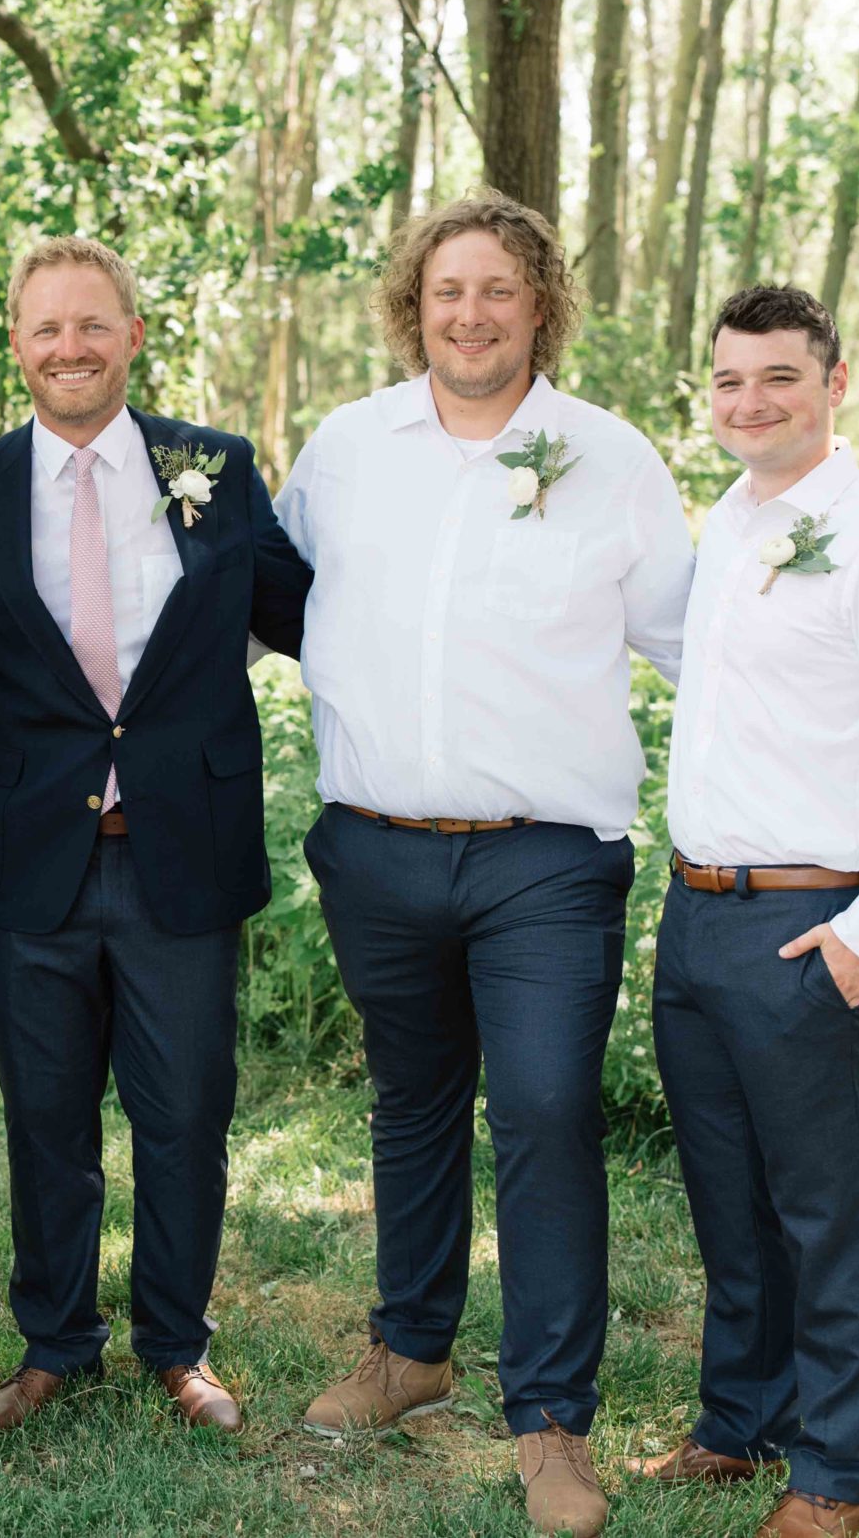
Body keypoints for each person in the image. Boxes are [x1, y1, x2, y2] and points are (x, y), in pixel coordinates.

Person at [274, 191, 693, 1537]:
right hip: (379, 849)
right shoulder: (347, 449)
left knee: (549, 1111)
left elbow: (698, 648)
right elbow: (267, 605)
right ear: (415, 305)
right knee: (410, 1103)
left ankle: (554, 1419)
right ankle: (412, 1349)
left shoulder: (609, 458)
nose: (471, 313)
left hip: (547, 864)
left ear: (540, 305)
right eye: (448, 290)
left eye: (498, 291)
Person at [0, 236, 312, 1439]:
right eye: (46, 328)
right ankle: (52, 1342)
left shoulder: (214, 466)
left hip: (177, 846)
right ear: (17, 345)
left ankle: (176, 1343)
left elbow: (310, 613)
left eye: (93, 324)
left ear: (132, 336)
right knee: (44, 1113)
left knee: (185, 1110)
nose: (69, 347)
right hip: (29, 853)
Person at [626, 286, 859, 1538]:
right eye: (727, 380)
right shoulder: (721, 524)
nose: (749, 401)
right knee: (729, 1195)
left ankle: (841, 1468)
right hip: (699, 908)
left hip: (812, 923)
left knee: (825, 1208)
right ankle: (740, 1418)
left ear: (836, 380)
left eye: (777, 376)